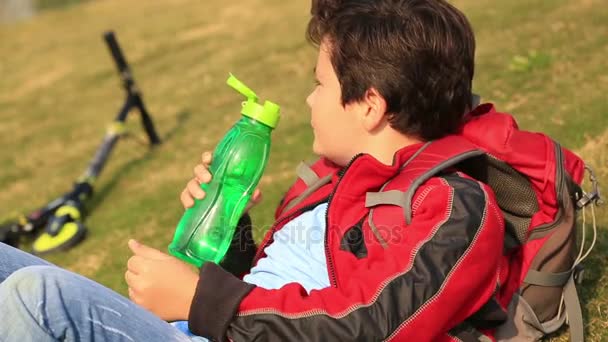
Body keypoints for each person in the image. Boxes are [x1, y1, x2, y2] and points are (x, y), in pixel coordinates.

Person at [0, 0, 507, 340]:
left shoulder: (452, 207)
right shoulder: (329, 184)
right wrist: (227, 225)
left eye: (320, 84)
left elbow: (368, 323)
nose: (309, 99)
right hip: (194, 328)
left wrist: (202, 300)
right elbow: (271, 286)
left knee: (36, 297)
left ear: (370, 105)